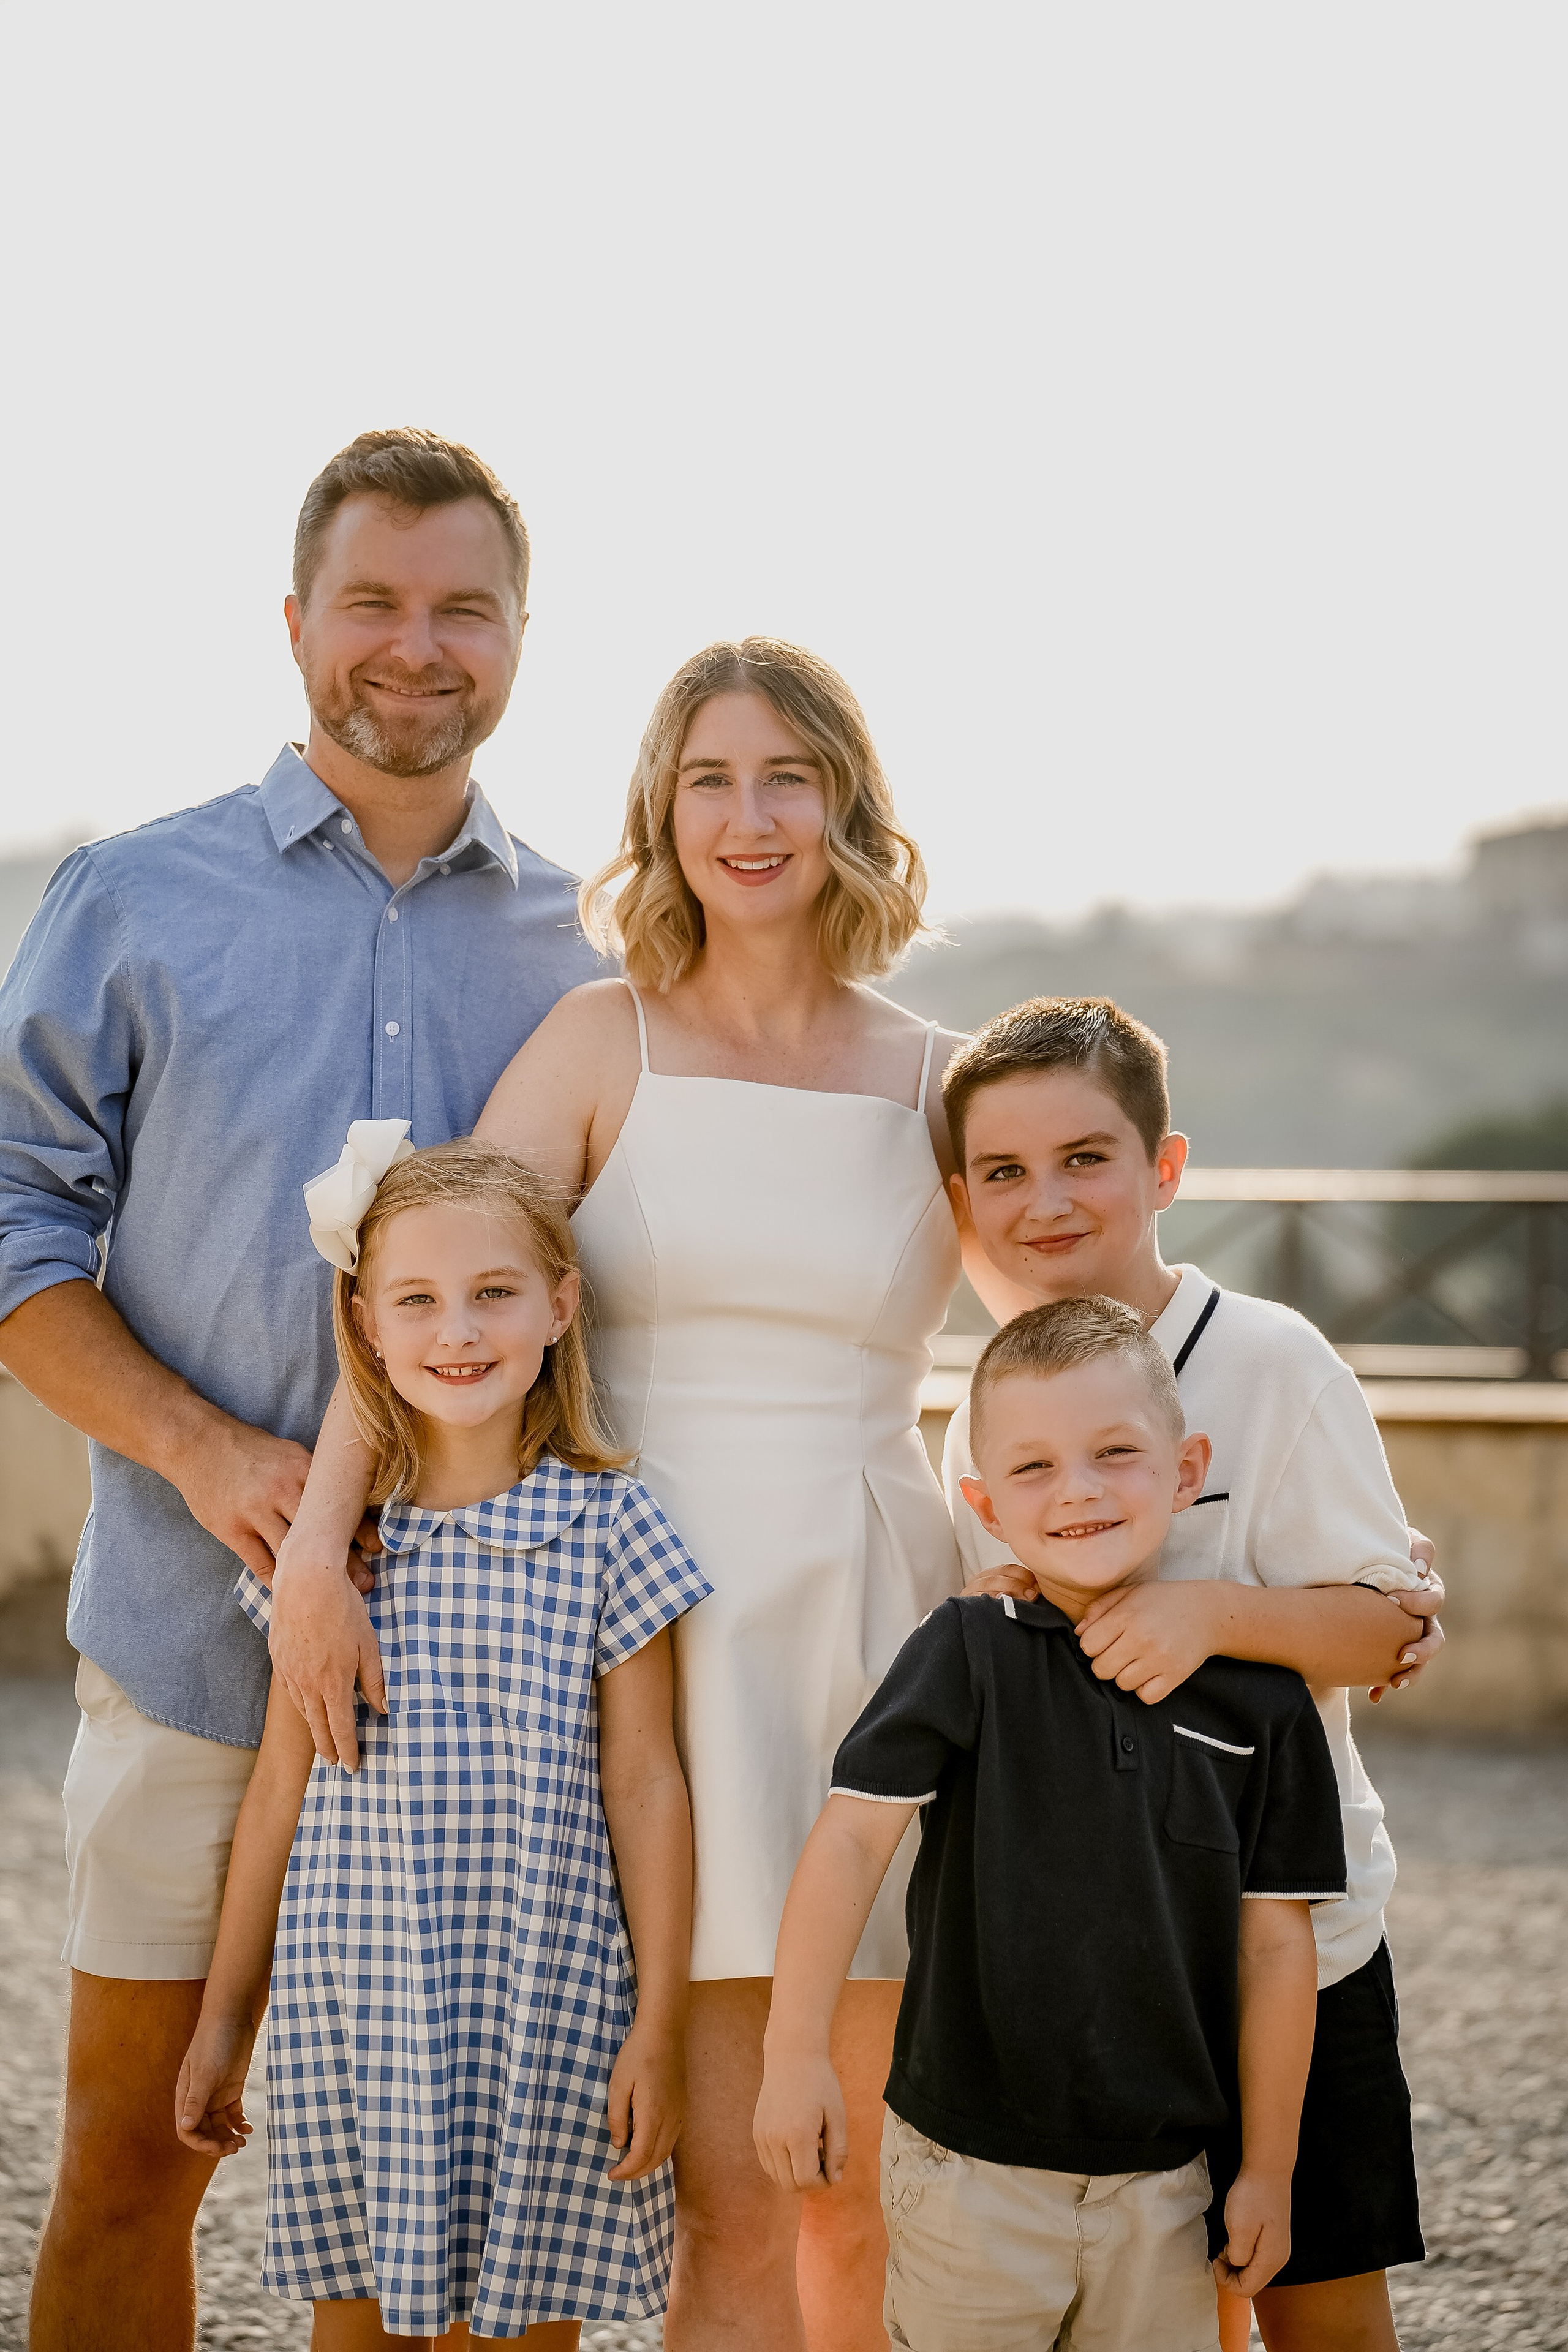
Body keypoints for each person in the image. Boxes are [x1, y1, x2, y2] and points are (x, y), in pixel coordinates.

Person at [276, 638, 976, 2351]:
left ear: (849, 808)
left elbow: (1089, 1317)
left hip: (880, 1617)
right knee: (730, 2184)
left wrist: (1286, 1501)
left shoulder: (940, 1074)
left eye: (789, 777)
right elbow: (424, 1286)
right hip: (642, 1643)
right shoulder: (602, 1042)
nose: (750, 818)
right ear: (661, 813)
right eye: (710, 779)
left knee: (863, 2187)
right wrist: (318, 1539)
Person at [0, 427, 602, 2352]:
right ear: (294, 623)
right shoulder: (132, 898)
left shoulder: (603, 947)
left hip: (506, 1686)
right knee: (123, 2172)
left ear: (520, 639)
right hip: (195, 1644)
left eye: (462, 610)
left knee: (465, 2221)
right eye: (373, 602)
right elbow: (14, 1222)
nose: (414, 648)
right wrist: (204, 1453)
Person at [938, 996, 1435, 2352]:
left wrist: (1210, 1610)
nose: (1044, 1199)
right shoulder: (989, 1413)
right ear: (962, 1200)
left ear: (1162, 1169)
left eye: (1083, 1157)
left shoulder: (1273, 1365)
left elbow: (1389, 1630)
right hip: (1099, 1974)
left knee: (1315, 2305)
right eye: (1002, 1172)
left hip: (1292, 1946)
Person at [175, 1138, 711, 2346]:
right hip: (354, 2006)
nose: (457, 1331)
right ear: (364, 1325)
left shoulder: (608, 1525)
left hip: (548, 2000)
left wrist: (660, 2027)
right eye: (416, 1300)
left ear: (559, 1306)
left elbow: (645, 1780)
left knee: (525, 2329)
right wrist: (223, 2019)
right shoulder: (334, 1562)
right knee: (354, 2328)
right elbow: (278, 1791)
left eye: (494, 1293)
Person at [756, 1297, 1348, 2352]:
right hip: (965, 2174)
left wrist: (1268, 2168)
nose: (1076, 1489)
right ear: (984, 1502)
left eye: (1114, 1451)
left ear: (1185, 1467)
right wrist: (793, 2054)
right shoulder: (968, 1650)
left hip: (1171, 2183)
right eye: (1032, 1469)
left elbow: (1273, 1945)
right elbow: (850, 1841)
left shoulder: (1265, 1703)